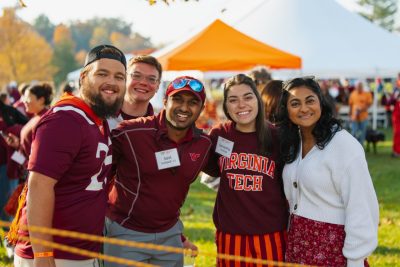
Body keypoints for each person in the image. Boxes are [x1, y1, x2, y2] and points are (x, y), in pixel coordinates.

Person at [12, 44, 126, 267]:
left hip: (80, 252)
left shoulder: (96, 119)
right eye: (102, 73)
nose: (112, 82)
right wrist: (43, 255)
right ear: (83, 77)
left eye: (119, 76)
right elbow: (39, 186)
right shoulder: (66, 119)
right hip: (55, 254)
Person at [105, 76, 211, 267]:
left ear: (201, 108)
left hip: (170, 237)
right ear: (165, 101)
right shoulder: (130, 133)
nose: (184, 108)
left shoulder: (204, 144)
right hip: (126, 233)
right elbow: (97, 175)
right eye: (177, 99)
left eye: (193, 102)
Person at [279, 77, 379, 266]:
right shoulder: (293, 142)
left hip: (334, 249)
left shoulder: (344, 146)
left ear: (321, 102)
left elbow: (361, 206)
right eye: (295, 103)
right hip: (298, 245)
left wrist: (355, 259)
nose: (304, 108)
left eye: (310, 100)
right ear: (286, 109)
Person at [202, 74, 288, 266]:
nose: (241, 105)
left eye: (247, 97)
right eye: (233, 100)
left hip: (270, 235)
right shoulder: (219, 135)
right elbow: (210, 169)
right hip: (231, 235)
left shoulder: (277, 137)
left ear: (258, 99)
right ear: (226, 105)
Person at [107, 55, 162, 130]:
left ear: (158, 86)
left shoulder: (160, 127)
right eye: (137, 76)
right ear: (124, 78)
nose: (143, 82)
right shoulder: (102, 118)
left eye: (151, 79)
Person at [348, 81, 372, 146]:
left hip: (363, 117)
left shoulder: (367, 94)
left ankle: (361, 147)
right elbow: (350, 105)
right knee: (354, 133)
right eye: (358, 87)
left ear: (362, 87)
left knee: (362, 134)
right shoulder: (352, 94)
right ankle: (353, 146)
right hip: (354, 117)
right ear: (356, 87)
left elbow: (369, 104)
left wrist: (361, 110)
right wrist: (350, 115)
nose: (359, 88)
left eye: (360, 86)